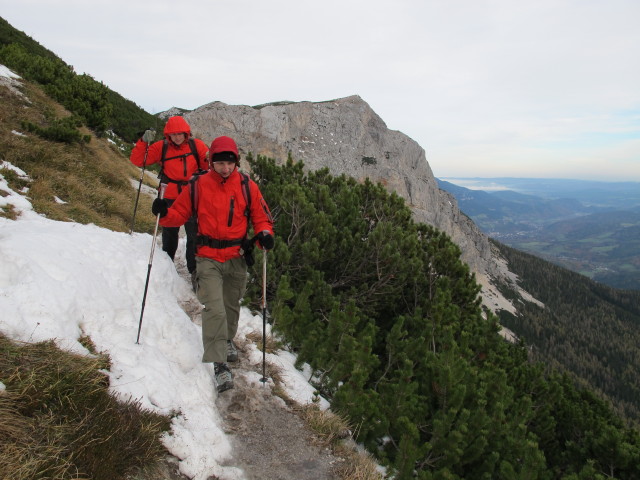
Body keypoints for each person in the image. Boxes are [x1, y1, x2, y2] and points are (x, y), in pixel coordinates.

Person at [151, 136, 274, 393]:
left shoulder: (247, 186)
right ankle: (220, 365)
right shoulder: (197, 185)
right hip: (207, 258)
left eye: (230, 163)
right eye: (220, 163)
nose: (225, 168)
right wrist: (163, 212)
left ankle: (227, 339)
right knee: (214, 309)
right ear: (211, 162)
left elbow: (261, 216)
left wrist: (264, 234)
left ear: (236, 162)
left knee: (230, 306)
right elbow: (179, 214)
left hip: (236, 257)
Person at [130, 116, 209, 288]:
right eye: (173, 134)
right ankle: (167, 265)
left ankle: (194, 270)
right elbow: (139, 160)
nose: (177, 137)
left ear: (186, 133)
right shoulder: (161, 147)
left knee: (194, 233)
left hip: (192, 194)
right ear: (168, 135)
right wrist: (143, 142)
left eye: (180, 134)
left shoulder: (197, 146)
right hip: (170, 194)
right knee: (169, 233)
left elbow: (208, 163)